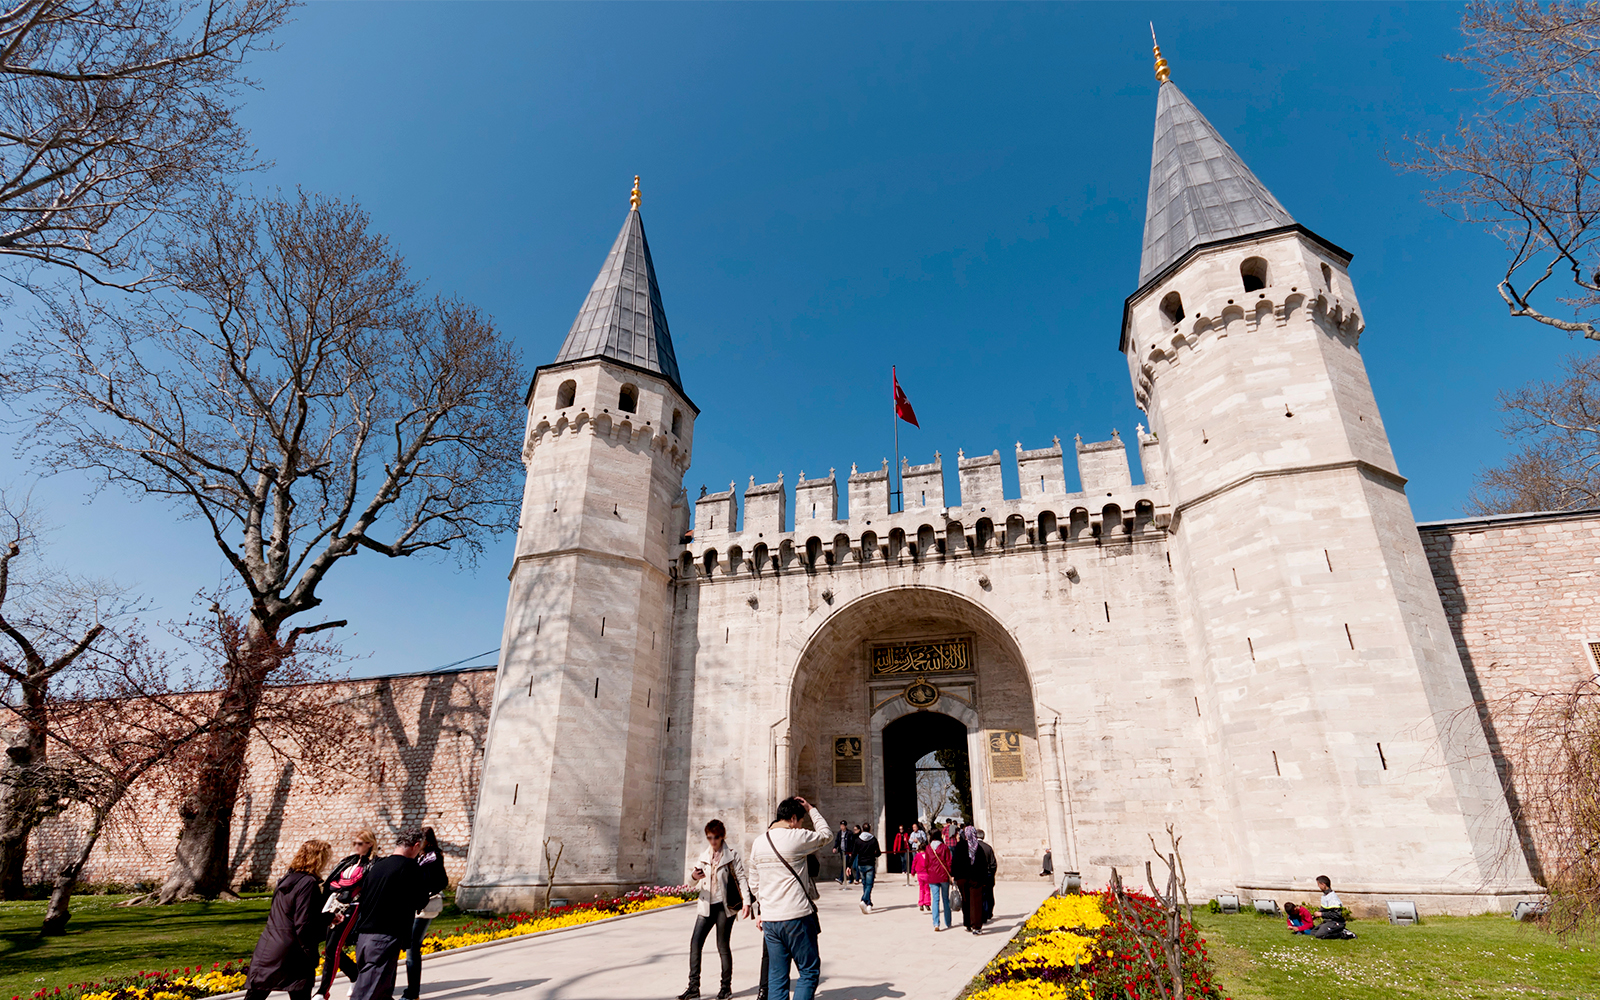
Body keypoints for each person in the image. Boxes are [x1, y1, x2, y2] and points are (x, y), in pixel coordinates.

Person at [748, 795, 830, 1000]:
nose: (799, 826)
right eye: (800, 821)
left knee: (777, 976)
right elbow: (826, 835)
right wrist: (811, 808)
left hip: (771, 920)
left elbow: (754, 882)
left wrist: (764, 905)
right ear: (793, 818)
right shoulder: (797, 837)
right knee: (809, 971)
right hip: (797, 917)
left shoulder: (758, 842)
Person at [245, 840, 333, 1000]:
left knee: (256, 993)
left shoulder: (286, 880)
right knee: (300, 992)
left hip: (269, 946)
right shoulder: (308, 884)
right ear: (318, 859)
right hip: (294, 951)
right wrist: (311, 951)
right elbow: (304, 923)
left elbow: (282, 914)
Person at [349, 830, 431, 1000]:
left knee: (381, 991)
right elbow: (420, 900)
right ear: (416, 846)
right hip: (384, 937)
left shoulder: (377, 866)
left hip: (364, 938)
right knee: (368, 993)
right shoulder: (409, 867)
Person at [681, 818, 751, 1000]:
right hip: (705, 905)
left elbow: (742, 878)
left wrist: (747, 902)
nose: (713, 841)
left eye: (716, 837)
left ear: (722, 836)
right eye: (710, 837)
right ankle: (693, 987)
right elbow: (690, 883)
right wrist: (693, 876)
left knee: (722, 945)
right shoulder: (704, 856)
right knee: (695, 943)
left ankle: (725, 988)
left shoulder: (732, 855)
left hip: (724, 906)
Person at [318, 830, 377, 999]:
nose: (356, 847)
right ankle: (355, 975)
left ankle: (323, 991)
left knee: (333, 947)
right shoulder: (348, 861)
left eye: (360, 843)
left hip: (353, 908)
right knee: (330, 947)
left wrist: (344, 886)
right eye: (354, 843)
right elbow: (332, 883)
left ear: (369, 844)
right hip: (335, 906)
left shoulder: (372, 864)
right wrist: (343, 886)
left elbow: (358, 884)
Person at [400, 828, 449, 1000]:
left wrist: (424, 890)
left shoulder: (432, 857)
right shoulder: (421, 856)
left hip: (424, 907)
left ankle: (412, 992)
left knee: (412, 947)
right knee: (412, 947)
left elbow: (441, 880)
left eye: (421, 840)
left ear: (427, 841)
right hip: (414, 906)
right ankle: (412, 991)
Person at [951, 825, 990, 935]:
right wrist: (984, 880)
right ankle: (976, 926)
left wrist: (953, 875)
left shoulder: (960, 846)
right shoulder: (979, 848)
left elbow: (955, 862)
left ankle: (967, 923)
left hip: (962, 878)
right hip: (976, 879)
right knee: (976, 902)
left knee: (966, 900)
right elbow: (983, 865)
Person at [923, 835, 953, 930]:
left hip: (932, 876)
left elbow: (926, 863)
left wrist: (929, 872)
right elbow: (949, 862)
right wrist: (950, 874)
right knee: (945, 899)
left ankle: (936, 923)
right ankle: (948, 922)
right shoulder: (944, 847)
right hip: (943, 875)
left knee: (935, 900)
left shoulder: (928, 848)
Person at [855, 823, 880, 913]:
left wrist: (848, 865)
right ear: (870, 829)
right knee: (869, 885)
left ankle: (869, 904)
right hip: (870, 863)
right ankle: (864, 900)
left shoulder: (858, 840)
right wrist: (873, 853)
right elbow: (878, 852)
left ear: (862, 829)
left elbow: (854, 852)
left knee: (865, 884)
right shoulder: (873, 840)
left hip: (861, 864)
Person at [975, 829, 998, 925]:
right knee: (989, 894)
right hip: (988, 874)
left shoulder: (974, 848)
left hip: (978, 875)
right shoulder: (988, 848)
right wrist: (992, 872)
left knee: (980, 895)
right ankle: (989, 912)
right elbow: (994, 863)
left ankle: (982, 914)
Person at [832, 820, 851, 886]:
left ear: (845, 826)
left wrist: (850, 851)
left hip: (847, 851)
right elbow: (837, 841)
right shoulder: (839, 833)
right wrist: (835, 847)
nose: (842, 827)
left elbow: (851, 843)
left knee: (845, 865)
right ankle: (851, 877)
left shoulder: (849, 833)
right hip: (841, 851)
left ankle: (841, 878)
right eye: (841, 826)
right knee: (846, 865)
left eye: (843, 826)